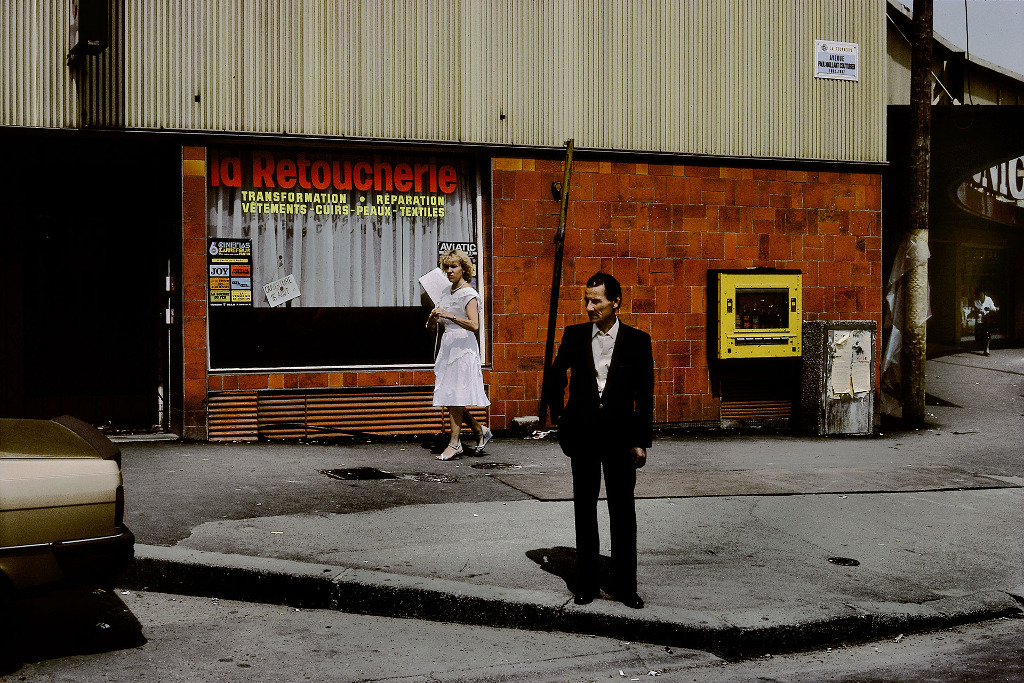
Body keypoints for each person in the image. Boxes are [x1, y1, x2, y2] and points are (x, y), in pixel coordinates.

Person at [544, 272, 654, 609]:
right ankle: (587, 584)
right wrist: (560, 416)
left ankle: (625, 586)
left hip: (621, 439)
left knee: (623, 512)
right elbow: (554, 373)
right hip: (584, 437)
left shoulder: (637, 341)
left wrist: (640, 440)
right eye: (587, 300)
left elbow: (645, 394)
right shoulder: (575, 336)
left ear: (616, 302)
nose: (590, 307)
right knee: (584, 509)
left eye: (597, 301)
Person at [427, 249, 492, 460]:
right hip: (448, 346)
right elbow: (432, 328)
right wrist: (433, 319)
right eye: (446, 267)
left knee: (454, 395)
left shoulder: (469, 294)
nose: (449, 271)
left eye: (453, 266)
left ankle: (455, 444)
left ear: (464, 269)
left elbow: (474, 325)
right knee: (450, 394)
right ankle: (479, 429)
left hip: (463, 347)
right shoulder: (446, 292)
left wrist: (450, 315)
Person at [971, 288, 999, 356]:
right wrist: (977, 311)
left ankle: (986, 350)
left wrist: (988, 309)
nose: (980, 296)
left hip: (987, 320)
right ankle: (983, 347)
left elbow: (994, 309)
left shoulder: (988, 299)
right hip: (979, 320)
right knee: (979, 336)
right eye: (979, 295)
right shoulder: (975, 300)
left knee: (987, 335)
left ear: (983, 293)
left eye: (981, 294)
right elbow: (972, 310)